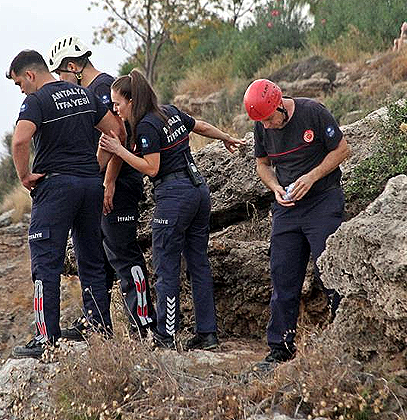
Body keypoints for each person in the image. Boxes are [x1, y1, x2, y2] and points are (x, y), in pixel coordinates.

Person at [99, 69, 244, 350]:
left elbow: (151, 167)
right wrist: (225, 136)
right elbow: (199, 126)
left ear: (130, 100)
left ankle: (166, 336)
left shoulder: (147, 126)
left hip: (174, 196)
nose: (115, 109)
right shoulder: (169, 112)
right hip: (198, 191)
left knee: (166, 268)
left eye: (117, 103)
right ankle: (207, 334)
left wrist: (118, 150)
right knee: (198, 264)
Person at [6, 49, 123, 358]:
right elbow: (117, 130)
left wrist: (24, 176)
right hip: (89, 186)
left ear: (30, 75)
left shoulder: (37, 100)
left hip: (55, 186)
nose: (21, 90)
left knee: (46, 262)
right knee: (91, 260)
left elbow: (19, 140)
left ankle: (47, 339)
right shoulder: (84, 95)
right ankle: (100, 329)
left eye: (19, 83)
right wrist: (95, 166)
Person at [46, 35, 157, 339]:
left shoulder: (101, 89)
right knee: (102, 257)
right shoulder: (94, 90)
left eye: (61, 73)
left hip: (119, 186)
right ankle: (96, 322)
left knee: (123, 254)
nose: (60, 80)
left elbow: (119, 137)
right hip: (103, 186)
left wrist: (103, 178)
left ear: (73, 66)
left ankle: (146, 326)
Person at [245, 79, 350, 365]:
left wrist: (311, 176)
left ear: (280, 105)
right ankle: (280, 347)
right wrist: (275, 188)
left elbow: (342, 150)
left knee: (329, 271)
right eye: (260, 122)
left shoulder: (313, 112)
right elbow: (262, 164)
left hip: (322, 201)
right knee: (283, 276)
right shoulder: (261, 125)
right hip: (287, 207)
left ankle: (345, 341)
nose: (266, 126)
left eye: (269, 119)